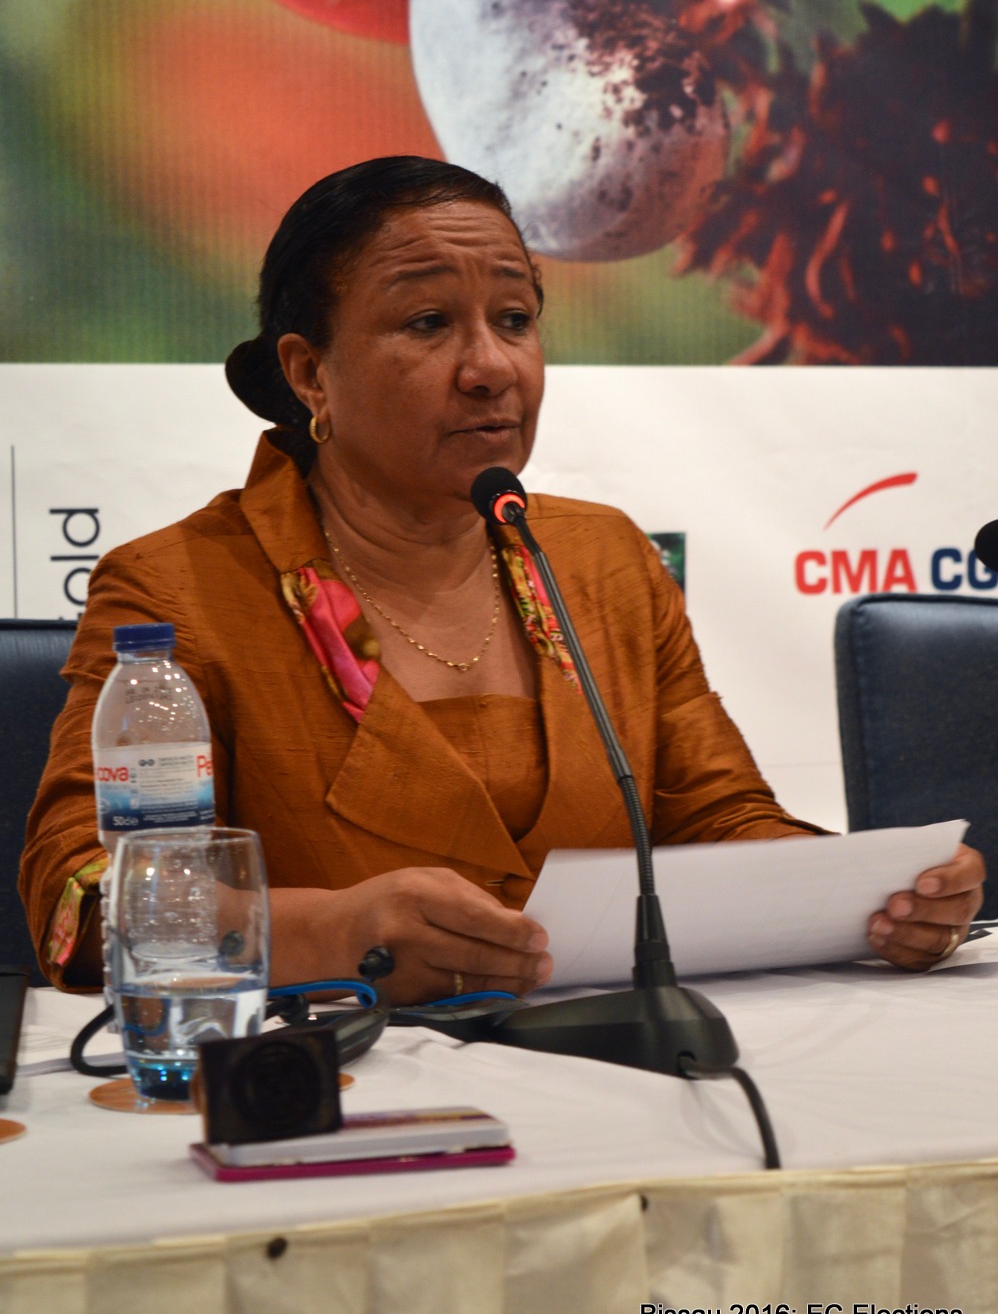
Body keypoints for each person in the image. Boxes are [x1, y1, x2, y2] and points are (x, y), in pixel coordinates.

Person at [19, 157, 984, 1001]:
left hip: (624, 1071)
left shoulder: (602, 558)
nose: (490, 367)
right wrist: (333, 934)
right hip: (339, 1089)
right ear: (310, 375)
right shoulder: (176, 590)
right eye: (428, 323)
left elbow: (718, 817)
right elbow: (81, 900)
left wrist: (870, 894)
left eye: (515, 319)